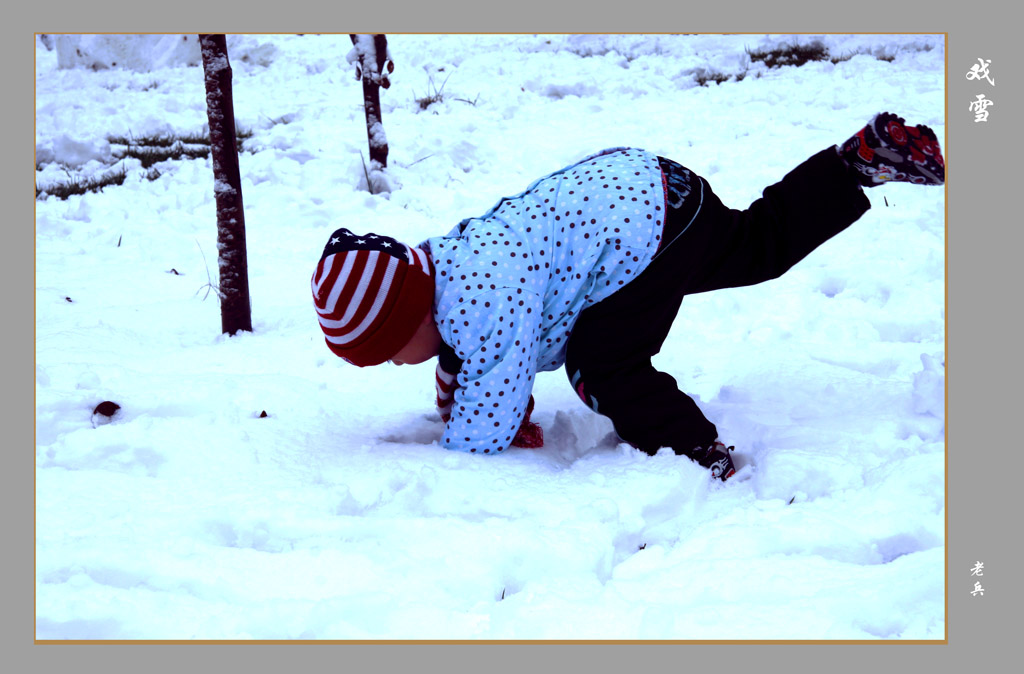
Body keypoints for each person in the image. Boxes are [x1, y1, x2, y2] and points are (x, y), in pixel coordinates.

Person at [311, 112, 944, 481]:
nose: (395, 364)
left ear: (407, 315)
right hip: (652, 192)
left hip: (640, 231)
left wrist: (458, 447)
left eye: (389, 351)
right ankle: (858, 162)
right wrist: (452, 403)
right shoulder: (444, 271)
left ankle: (697, 450)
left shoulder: (481, 302)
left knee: (601, 366)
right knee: (757, 246)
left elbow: (490, 412)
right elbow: (461, 361)